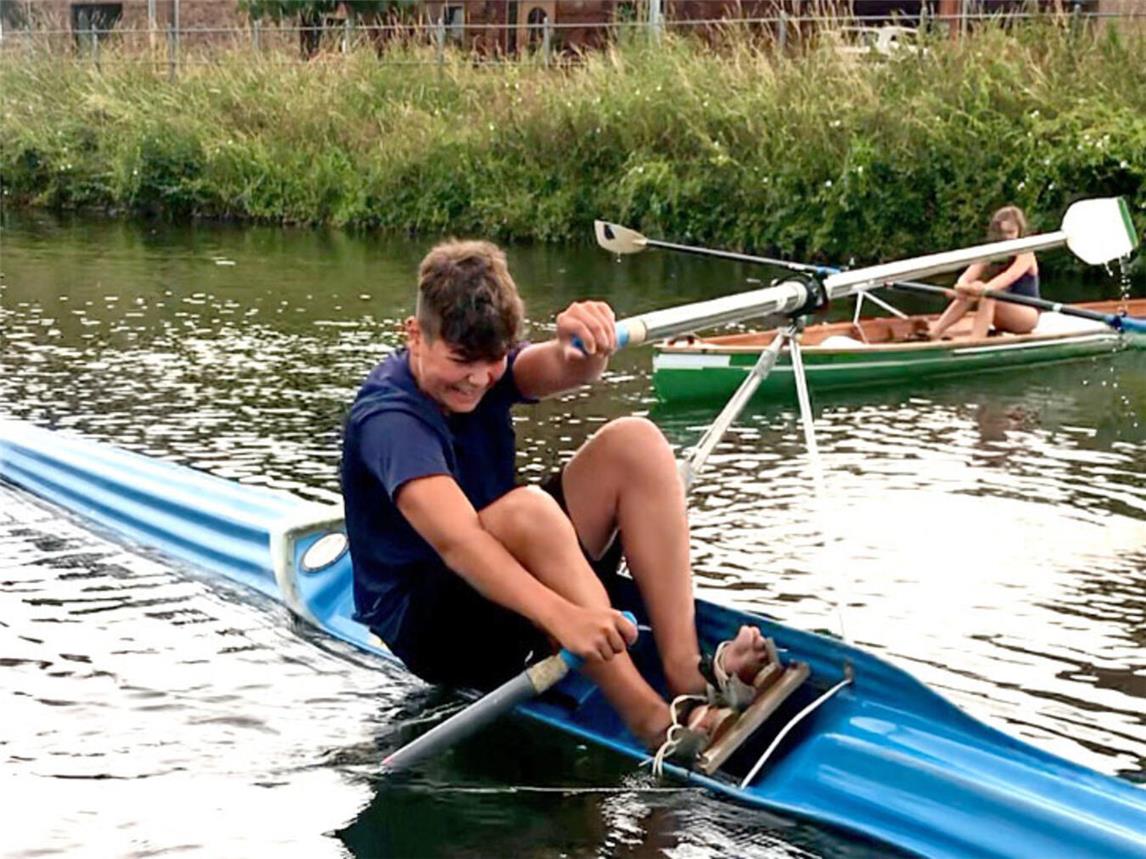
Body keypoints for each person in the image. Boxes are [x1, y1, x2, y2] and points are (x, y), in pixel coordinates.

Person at [341, 239, 768, 752]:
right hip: (433, 631)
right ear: (415, 335)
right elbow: (461, 544)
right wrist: (563, 618)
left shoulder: (483, 365)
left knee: (636, 443)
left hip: (506, 583)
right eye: (462, 361)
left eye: (493, 360)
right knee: (529, 511)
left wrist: (583, 345)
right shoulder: (390, 419)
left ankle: (688, 673)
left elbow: (562, 366)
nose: (478, 379)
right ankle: (656, 724)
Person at [928, 205, 1040, 341]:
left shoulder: (1025, 252)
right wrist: (962, 287)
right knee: (973, 291)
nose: (1006, 238)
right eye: (1002, 233)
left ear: (1019, 231)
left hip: (1027, 316)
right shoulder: (991, 252)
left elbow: (1008, 277)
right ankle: (934, 333)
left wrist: (981, 288)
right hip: (1001, 314)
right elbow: (966, 277)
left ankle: (975, 341)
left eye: (1010, 233)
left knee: (988, 295)